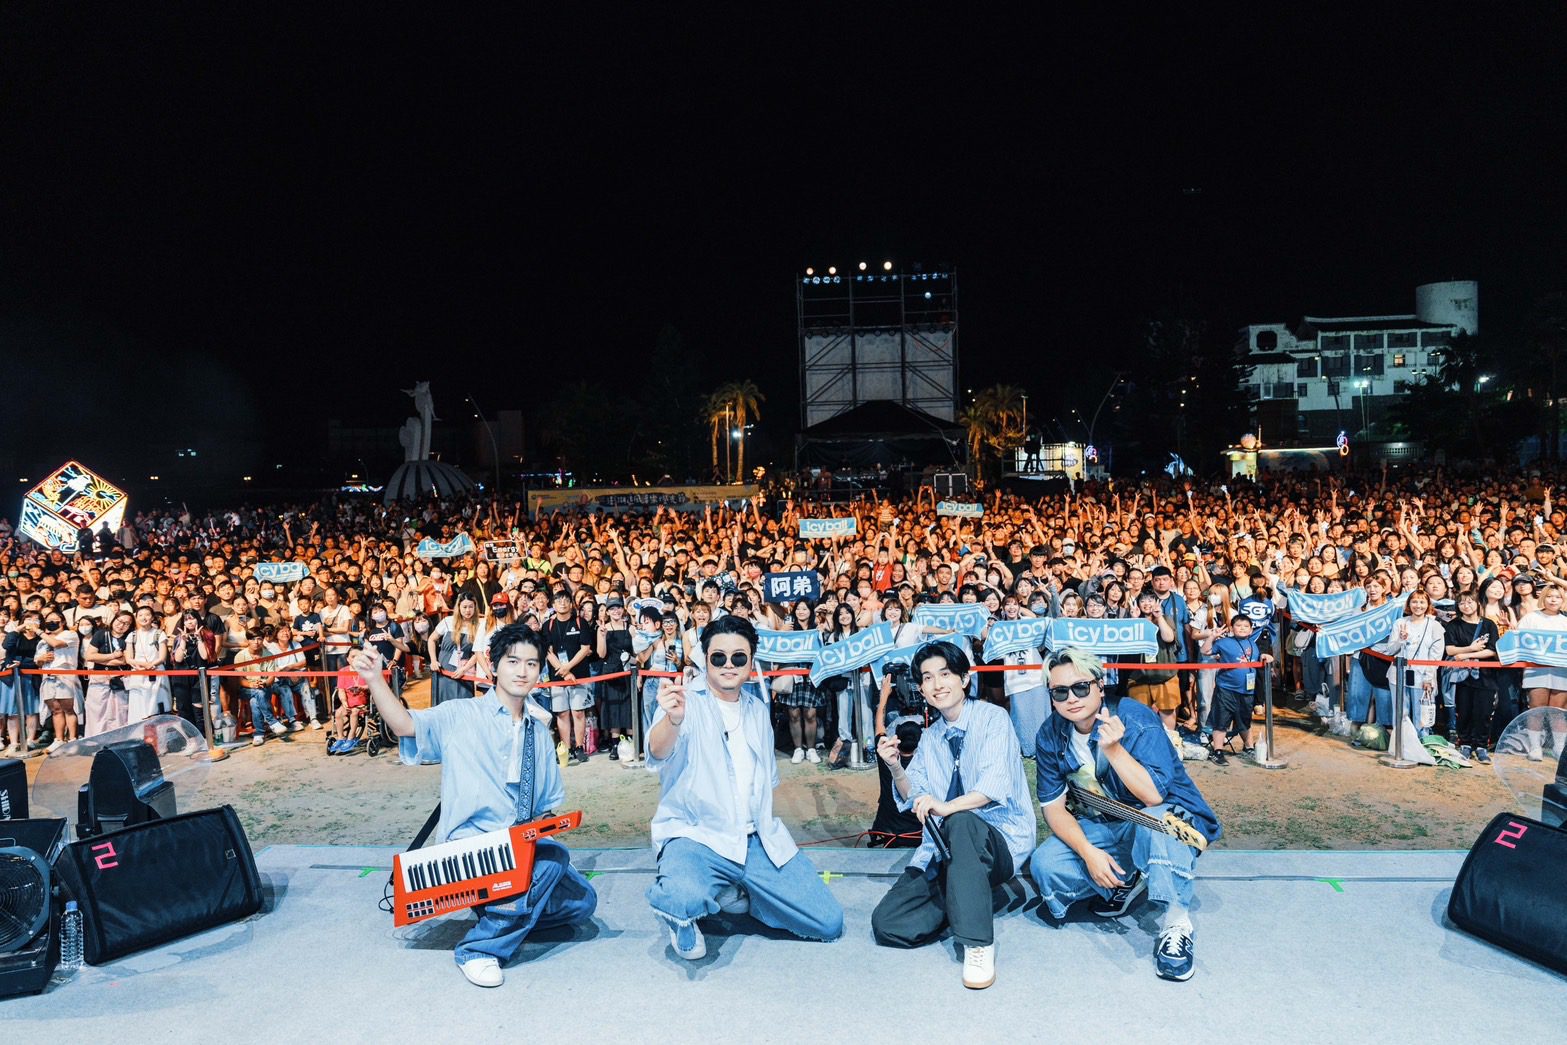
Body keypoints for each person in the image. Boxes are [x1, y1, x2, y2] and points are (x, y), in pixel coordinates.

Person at [351, 625, 598, 988]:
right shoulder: (460, 714)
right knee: (553, 862)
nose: (523, 671)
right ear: (493, 665)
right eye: (513, 661)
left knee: (582, 901)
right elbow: (404, 725)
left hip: (516, 851)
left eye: (531, 664)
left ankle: (510, 911)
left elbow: (543, 809)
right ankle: (480, 948)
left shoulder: (538, 731)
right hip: (469, 854)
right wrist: (375, 679)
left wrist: (547, 829)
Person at [644, 613, 843, 962]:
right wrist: (673, 720)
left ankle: (730, 889)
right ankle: (684, 915)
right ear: (705, 658)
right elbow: (658, 752)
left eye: (739, 657)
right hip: (696, 837)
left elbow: (765, 783)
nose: (728, 665)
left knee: (827, 921)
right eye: (718, 657)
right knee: (681, 899)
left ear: (751, 661)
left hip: (755, 840)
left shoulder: (757, 710)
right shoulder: (684, 702)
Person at [1030, 646, 1222, 982]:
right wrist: (1088, 852)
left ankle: (1177, 922)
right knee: (1046, 865)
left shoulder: (1135, 719)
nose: (1071, 698)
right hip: (1107, 823)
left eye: (1080, 687)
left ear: (1099, 685)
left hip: (1166, 819)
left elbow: (1153, 796)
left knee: (1157, 823)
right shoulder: (1050, 734)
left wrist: (1114, 750)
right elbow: (1053, 809)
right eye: (1060, 692)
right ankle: (1128, 876)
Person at [870, 641, 1037, 989]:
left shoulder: (993, 718)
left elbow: (993, 787)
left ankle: (978, 943)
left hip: (1000, 840)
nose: (937, 684)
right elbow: (914, 795)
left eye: (945, 674)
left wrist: (946, 807)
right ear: (921, 689)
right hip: (944, 848)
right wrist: (896, 767)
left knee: (960, 821)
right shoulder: (931, 737)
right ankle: (970, 895)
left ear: (964, 678)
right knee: (888, 923)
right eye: (927, 678)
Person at [1206, 614, 1272, 764]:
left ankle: (1248, 747)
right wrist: (1212, 637)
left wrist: (1264, 656)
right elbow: (1206, 651)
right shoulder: (1223, 642)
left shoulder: (1253, 644)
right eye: (1238, 625)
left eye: (1246, 626)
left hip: (1247, 690)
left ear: (1251, 630)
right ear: (1231, 628)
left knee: (1245, 719)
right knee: (1221, 720)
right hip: (1226, 689)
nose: (1242, 628)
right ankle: (1217, 751)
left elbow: (1256, 658)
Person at [1444, 589, 1499, 762]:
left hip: (1485, 675)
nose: (1466, 606)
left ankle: (1481, 746)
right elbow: (1450, 650)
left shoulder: (1488, 624)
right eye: (1461, 603)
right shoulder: (1454, 625)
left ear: (1478, 603)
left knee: (1484, 712)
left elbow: (1492, 650)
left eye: (1470, 602)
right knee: (1464, 711)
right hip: (1462, 676)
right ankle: (1465, 744)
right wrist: (1472, 648)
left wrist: (1465, 655)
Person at [542, 588, 593, 763]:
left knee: (578, 712)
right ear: (553, 605)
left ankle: (579, 747)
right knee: (562, 713)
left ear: (571, 604)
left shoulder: (580, 622)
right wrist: (563, 672)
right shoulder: (548, 625)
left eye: (565, 600)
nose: (562, 603)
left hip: (579, 675)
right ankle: (567, 748)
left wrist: (568, 668)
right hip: (557, 677)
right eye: (558, 600)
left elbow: (585, 648)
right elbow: (548, 652)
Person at [33, 609, 80, 752]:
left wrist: (38, 631)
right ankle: (59, 739)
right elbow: (37, 660)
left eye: (55, 620)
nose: (51, 622)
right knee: (56, 710)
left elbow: (56, 644)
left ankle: (72, 740)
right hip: (48, 677)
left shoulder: (70, 634)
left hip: (65, 675)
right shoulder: (43, 641)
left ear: (63, 621)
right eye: (48, 620)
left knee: (68, 709)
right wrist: (41, 659)